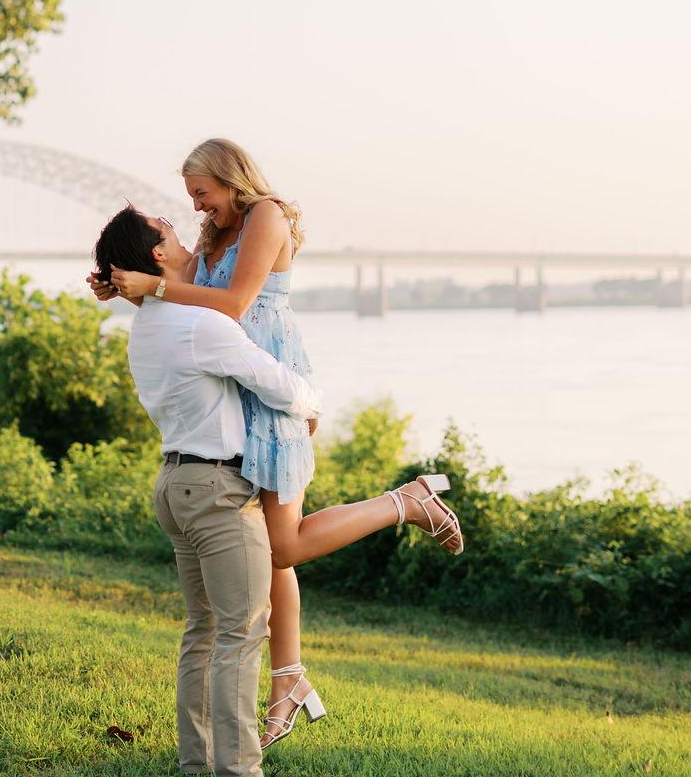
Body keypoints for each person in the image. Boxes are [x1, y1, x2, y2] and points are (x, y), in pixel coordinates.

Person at [92, 205, 464, 777]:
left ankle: (199, 764)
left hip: (174, 485)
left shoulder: (147, 328)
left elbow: (183, 304)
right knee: (239, 638)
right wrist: (312, 407)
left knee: (202, 634)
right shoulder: (200, 325)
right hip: (217, 491)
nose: (185, 237)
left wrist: (128, 286)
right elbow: (282, 385)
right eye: (169, 231)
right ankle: (239, 769)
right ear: (158, 254)